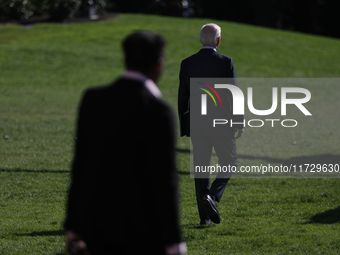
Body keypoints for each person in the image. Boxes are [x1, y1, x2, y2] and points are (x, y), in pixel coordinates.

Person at [64, 31, 186, 255]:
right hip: (145, 233)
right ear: (158, 65)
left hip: (98, 227)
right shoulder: (159, 111)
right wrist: (174, 240)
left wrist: (73, 226)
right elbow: (165, 179)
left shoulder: (92, 100)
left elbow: (80, 166)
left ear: (125, 59)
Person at [178, 23, 244, 225]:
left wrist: (185, 125)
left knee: (201, 169)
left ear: (201, 40)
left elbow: (183, 97)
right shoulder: (225, 62)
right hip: (222, 123)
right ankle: (213, 197)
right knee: (230, 161)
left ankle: (205, 218)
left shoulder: (187, 63)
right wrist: (239, 121)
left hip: (198, 124)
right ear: (219, 40)